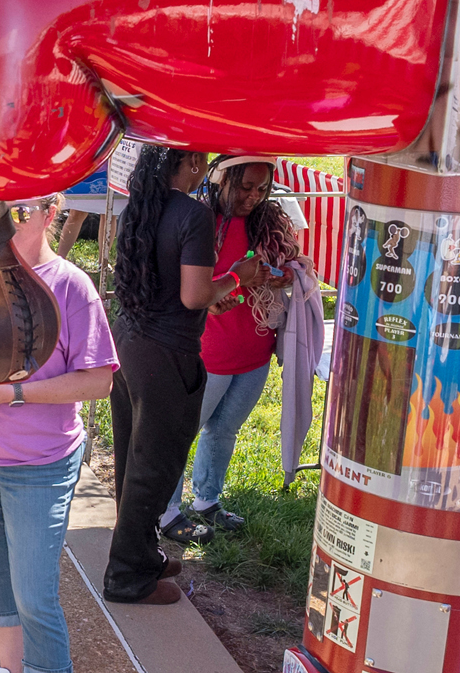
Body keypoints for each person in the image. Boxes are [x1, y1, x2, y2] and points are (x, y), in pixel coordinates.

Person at [0, 193, 119, 673]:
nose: (6, 224)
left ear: (51, 214)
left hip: (39, 467)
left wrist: (12, 396)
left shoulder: (72, 287)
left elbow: (99, 380)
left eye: (21, 212)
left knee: (34, 594)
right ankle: (13, 668)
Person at [103, 146, 268, 605]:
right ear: (193, 163)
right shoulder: (192, 214)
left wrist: (206, 293)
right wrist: (238, 277)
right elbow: (196, 295)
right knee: (154, 468)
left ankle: (140, 553)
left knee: (131, 459)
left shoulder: (141, 206)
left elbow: (168, 284)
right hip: (167, 356)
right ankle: (127, 576)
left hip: (129, 343)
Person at [160, 155, 304, 542]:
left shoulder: (270, 222)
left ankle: (206, 500)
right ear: (221, 179)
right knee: (182, 433)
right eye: (245, 187)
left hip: (255, 351)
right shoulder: (198, 220)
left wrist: (284, 276)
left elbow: (297, 264)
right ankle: (167, 510)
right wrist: (226, 285)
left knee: (224, 430)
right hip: (211, 352)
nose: (253, 196)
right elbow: (182, 285)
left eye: (262, 188)